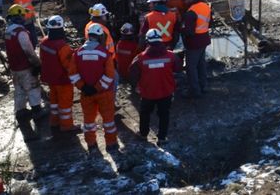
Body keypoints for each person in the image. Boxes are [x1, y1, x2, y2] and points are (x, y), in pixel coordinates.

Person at [68, 24, 118, 152]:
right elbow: (110, 75)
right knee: (108, 120)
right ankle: (111, 144)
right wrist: (97, 88)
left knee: (89, 120)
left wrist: (83, 87)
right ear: (100, 37)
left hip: (86, 94)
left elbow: (72, 74)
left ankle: (91, 144)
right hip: (104, 93)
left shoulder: (77, 53)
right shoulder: (105, 54)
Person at [129, 28, 181, 145]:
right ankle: (162, 138)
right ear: (161, 40)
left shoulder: (140, 58)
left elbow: (132, 73)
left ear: (147, 41)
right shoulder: (171, 56)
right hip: (166, 91)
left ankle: (143, 134)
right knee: (164, 114)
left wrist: (135, 86)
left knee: (145, 113)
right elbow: (178, 68)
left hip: (148, 93)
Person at [4, 4, 47, 122]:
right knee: (33, 87)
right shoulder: (21, 32)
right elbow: (29, 51)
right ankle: (37, 111)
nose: (24, 17)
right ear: (18, 16)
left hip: (14, 67)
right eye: (23, 15)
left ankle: (20, 111)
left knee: (19, 89)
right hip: (25, 67)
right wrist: (37, 64)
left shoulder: (8, 30)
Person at [39, 15, 77, 132]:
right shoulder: (62, 46)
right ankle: (67, 126)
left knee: (54, 102)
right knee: (65, 104)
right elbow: (69, 66)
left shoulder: (44, 42)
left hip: (51, 79)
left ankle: (54, 122)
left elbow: (43, 58)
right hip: (62, 80)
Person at [180, 0, 211, 99]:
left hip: (194, 43)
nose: (184, 1)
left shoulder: (191, 12)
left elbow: (189, 32)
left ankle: (194, 90)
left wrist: (179, 27)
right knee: (201, 64)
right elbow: (209, 22)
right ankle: (204, 86)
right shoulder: (205, 6)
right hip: (204, 39)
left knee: (191, 67)